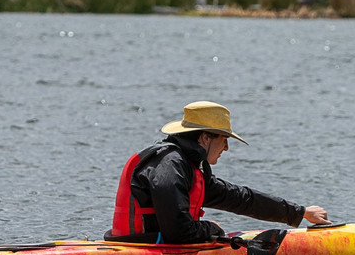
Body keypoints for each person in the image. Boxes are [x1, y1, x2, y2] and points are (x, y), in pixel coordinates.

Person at [107, 101, 330, 244]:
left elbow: (240, 198)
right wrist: (211, 228)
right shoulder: (170, 166)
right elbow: (178, 232)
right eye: (224, 140)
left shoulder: (189, 166)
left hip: (150, 245)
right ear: (205, 137)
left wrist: (298, 213)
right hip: (139, 246)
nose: (226, 148)